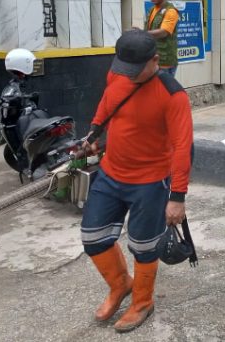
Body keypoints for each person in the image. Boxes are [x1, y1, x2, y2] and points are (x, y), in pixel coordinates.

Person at [80, 29, 193, 333]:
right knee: (93, 236)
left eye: (133, 70)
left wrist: (177, 197)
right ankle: (121, 286)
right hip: (111, 173)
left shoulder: (173, 95)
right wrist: (94, 132)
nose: (125, 75)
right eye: (122, 68)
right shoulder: (120, 73)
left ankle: (142, 301)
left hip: (151, 182)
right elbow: (107, 104)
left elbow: (184, 147)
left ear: (155, 60)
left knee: (144, 246)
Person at [145, 0, 179, 75]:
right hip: (152, 60)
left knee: (164, 90)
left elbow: (164, 32)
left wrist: (141, 34)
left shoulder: (171, 11)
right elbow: (150, 30)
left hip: (165, 64)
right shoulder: (152, 9)